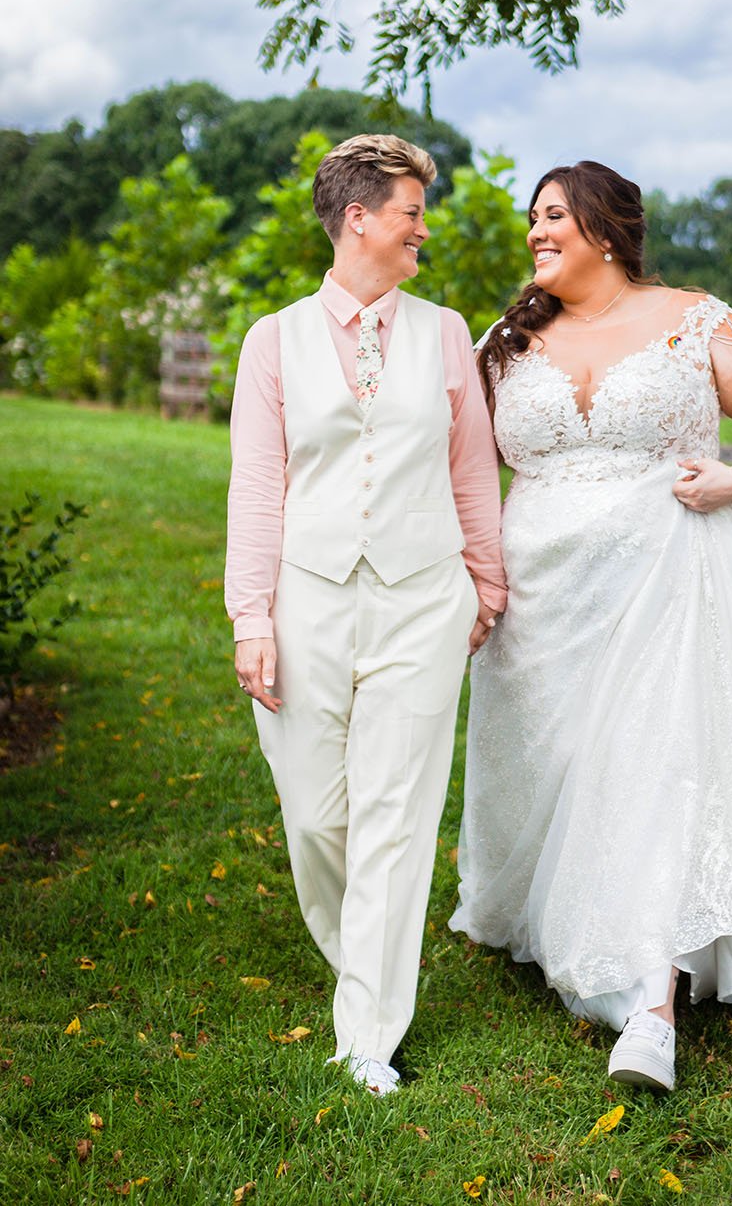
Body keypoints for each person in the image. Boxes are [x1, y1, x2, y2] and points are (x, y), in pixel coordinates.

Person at [450, 160, 732, 1092]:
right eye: (533, 220)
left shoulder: (695, 319)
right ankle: (561, 917)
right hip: (541, 603)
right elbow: (462, 467)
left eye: (554, 217)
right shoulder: (504, 340)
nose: (535, 232)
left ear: (606, 230)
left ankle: (650, 1005)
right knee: (558, 777)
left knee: (653, 771)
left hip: (668, 577)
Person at [226, 133, 505, 1096]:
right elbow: (257, 489)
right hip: (306, 595)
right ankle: (364, 963)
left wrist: (488, 577)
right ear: (359, 219)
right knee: (315, 817)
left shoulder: (444, 332)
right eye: (411, 212)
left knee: (396, 815)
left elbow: (472, 468)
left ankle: (368, 1036)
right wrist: (249, 617)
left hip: (425, 597)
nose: (424, 229)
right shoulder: (273, 340)